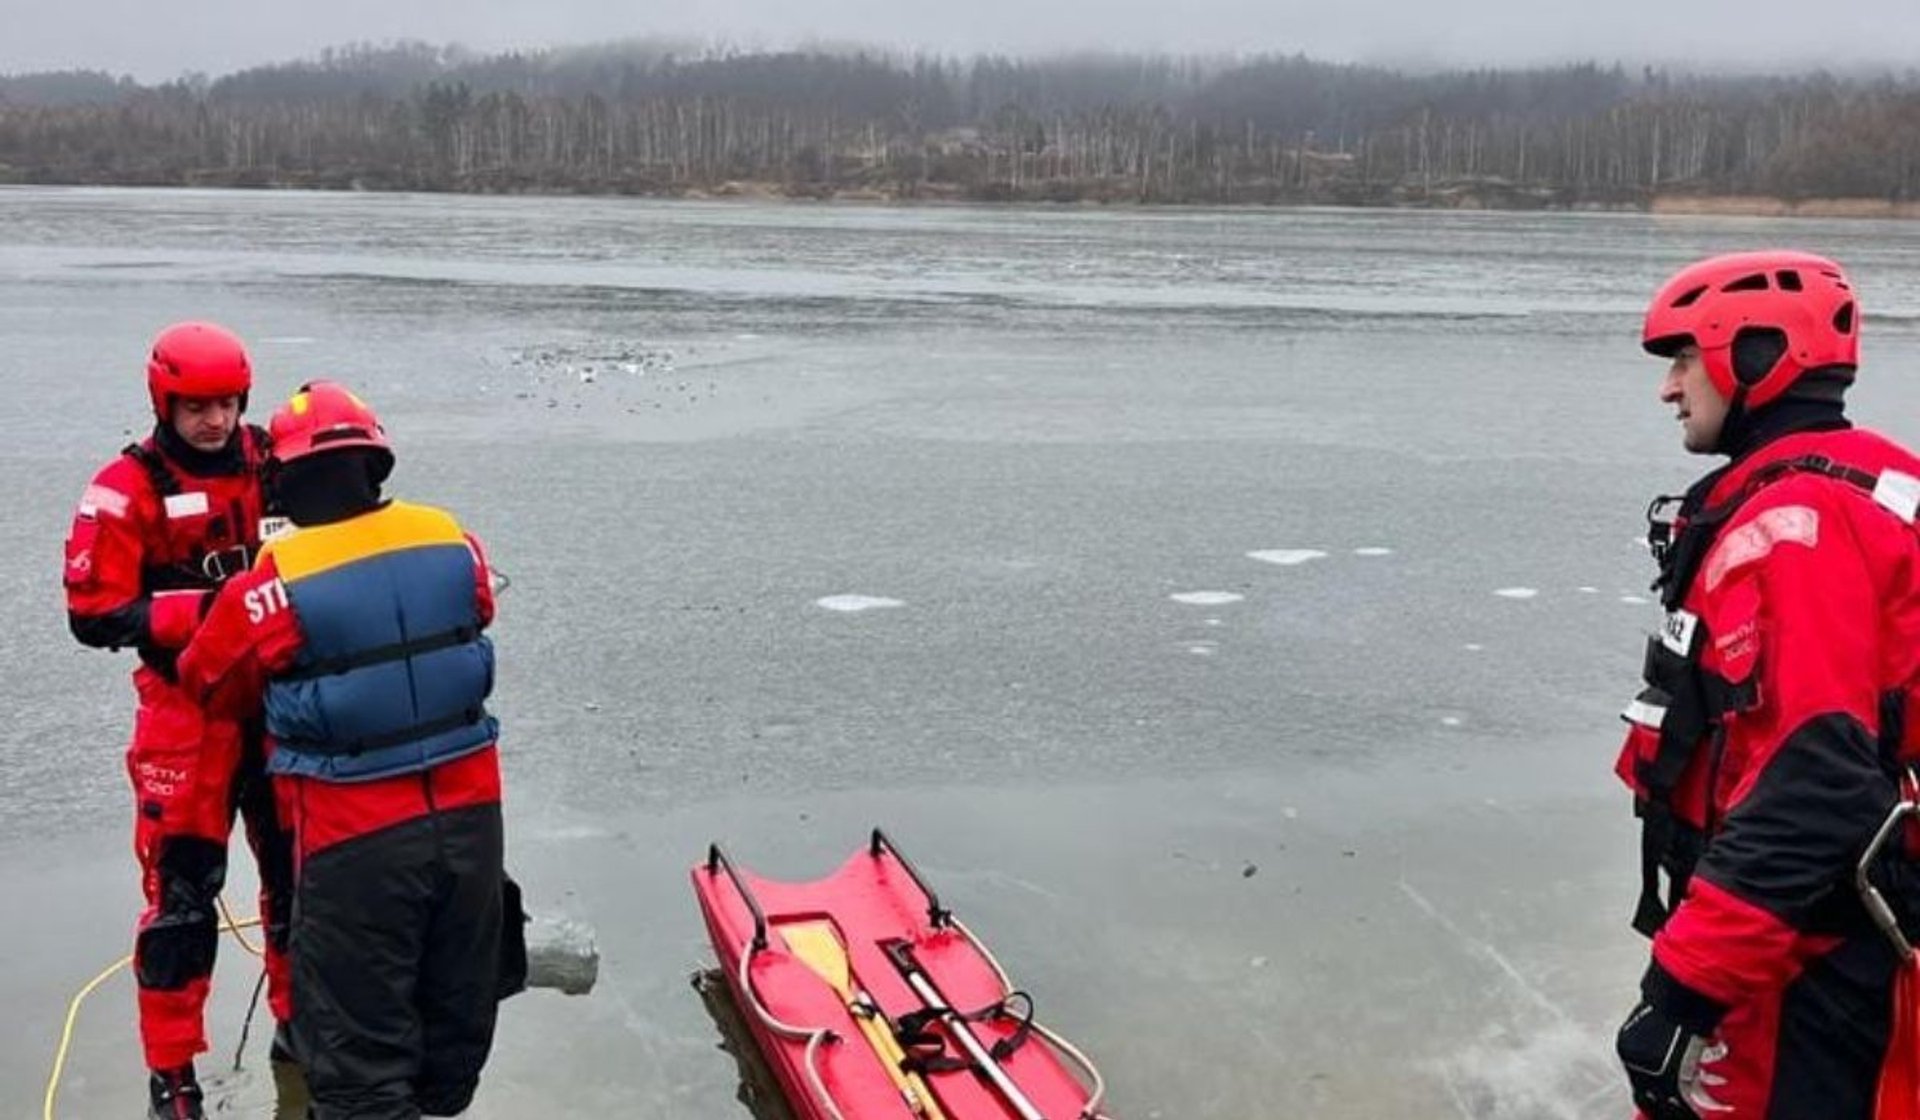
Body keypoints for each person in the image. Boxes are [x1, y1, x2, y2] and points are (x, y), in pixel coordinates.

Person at [1614, 250, 1920, 1118]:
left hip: (1809, 965)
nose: (1668, 389)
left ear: (1753, 354)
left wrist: (1680, 994)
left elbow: (1815, 785)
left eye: (1682, 358)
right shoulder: (1876, 485)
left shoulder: (1800, 527)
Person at [177, 381, 510, 1120]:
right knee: (452, 1031)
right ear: (377, 465)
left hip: (354, 843)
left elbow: (209, 678)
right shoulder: (453, 538)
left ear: (283, 480)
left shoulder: (274, 580)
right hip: (473, 829)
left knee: (358, 1063)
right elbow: (476, 608)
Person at [62, 321, 294, 1119]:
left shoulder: (277, 463)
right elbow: (91, 615)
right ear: (165, 400)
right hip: (187, 722)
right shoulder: (124, 490)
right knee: (181, 908)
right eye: (198, 406)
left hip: (277, 710)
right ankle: (173, 1076)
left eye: (228, 404)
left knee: (300, 884)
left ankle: (298, 1031)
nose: (216, 422)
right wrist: (208, 609)